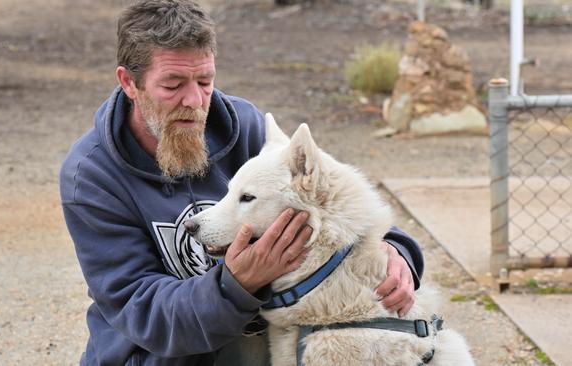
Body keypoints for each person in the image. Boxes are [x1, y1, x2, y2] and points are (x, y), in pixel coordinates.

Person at [59, 1, 424, 365]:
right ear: (129, 83)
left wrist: (396, 250)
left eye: (205, 81)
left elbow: (326, 198)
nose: (194, 100)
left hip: (256, 345)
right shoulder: (92, 176)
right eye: (172, 85)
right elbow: (144, 312)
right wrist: (234, 285)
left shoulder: (244, 125)